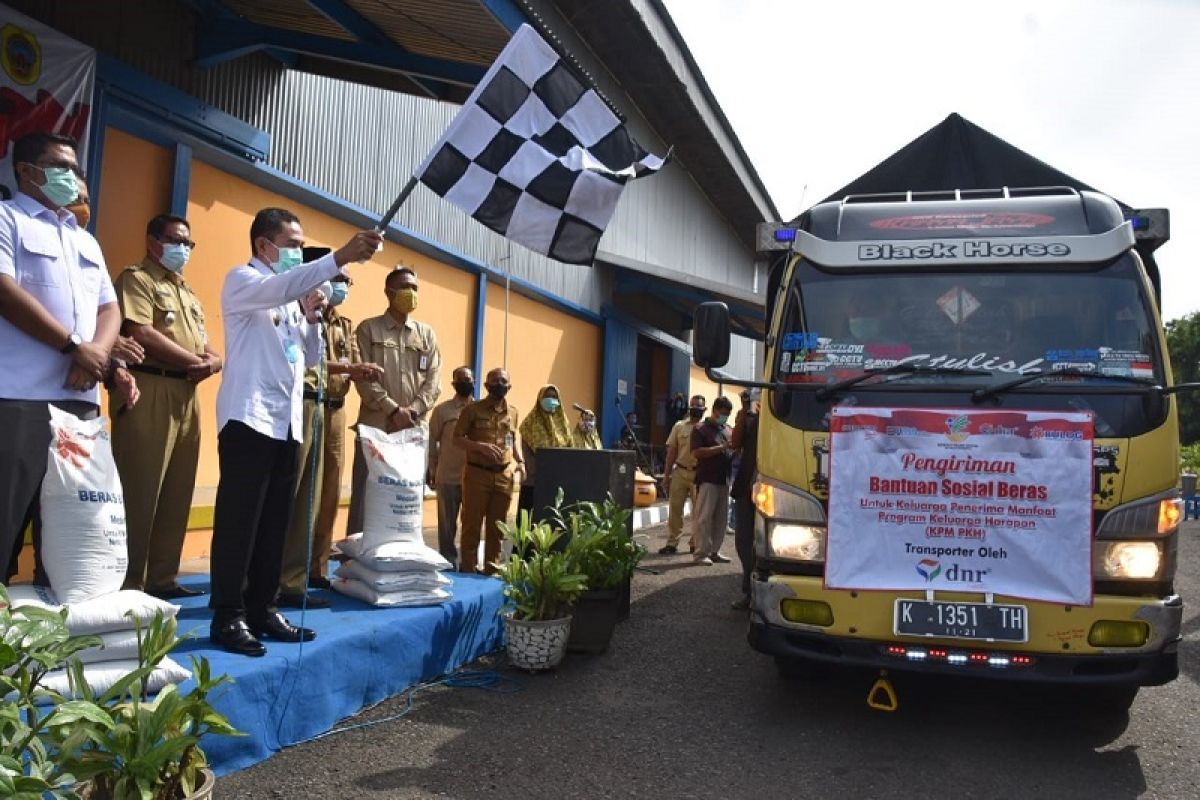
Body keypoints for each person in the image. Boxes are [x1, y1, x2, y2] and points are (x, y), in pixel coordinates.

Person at [208, 206, 382, 657]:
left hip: (285, 423)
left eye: (302, 247)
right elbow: (284, 284)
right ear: (264, 245)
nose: (298, 255)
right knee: (239, 524)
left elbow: (306, 357)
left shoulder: (287, 296)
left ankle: (262, 608)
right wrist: (338, 257)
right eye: (292, 246)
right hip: (249, 418)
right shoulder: (244, 281)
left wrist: (310, 319)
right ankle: (228, 615)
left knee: (274, 524)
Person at [0, 132, 136, 584]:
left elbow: (109, 308)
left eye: (76, 168)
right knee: (6, 524)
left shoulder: (84, 239)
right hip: (20, 398)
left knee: (69, 539)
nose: (73, 177)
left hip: (79, 403)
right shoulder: (8, 219)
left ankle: (53, 643)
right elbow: (5, 291)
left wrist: (94, 354)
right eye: (62, 166)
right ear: (26, 170)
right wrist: (75, 347)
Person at [112, 213, 221, 598]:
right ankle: (129, 581)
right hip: (150, 386)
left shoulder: (187, 292)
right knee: (141, 487)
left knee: (177, 490)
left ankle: (162, 579)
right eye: (176, 241)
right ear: (152, 241)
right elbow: (141, 332)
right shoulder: (137, 279)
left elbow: (204, 342)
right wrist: (196, 362)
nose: (183, 250)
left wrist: (214, 360)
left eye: (188, 243)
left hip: (187, 394)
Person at [279, 281, 383, 607]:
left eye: (348, 281)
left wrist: (359, 370)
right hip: (310, 401)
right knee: (302, 494)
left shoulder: (344, 323)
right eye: (339, 278)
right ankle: (287, 575)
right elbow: (307, 361)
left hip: (337, 407)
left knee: (329, 493)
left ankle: (316, 568)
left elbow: (350, 361)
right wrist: (352, 368)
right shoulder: (302, 312)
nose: (343, 287)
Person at [348, 265, 441, 536]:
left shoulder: (426, 335)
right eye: (405, 287)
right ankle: (357, 556)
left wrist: (411, 411)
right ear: (389, 292)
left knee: (407, 498)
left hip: (412, 430)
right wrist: (392, 409)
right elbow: (363, 377)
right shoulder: (368, 329)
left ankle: (403, 556)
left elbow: (434, 380)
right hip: (377, 428)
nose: (411, 293)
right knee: (367, 495)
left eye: (415, 288)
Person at [454, 368, 524, 574]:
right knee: (471, 526)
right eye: (494, 381)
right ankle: (468, 571)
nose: (499, 384)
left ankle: (491, 572)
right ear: (485, 385)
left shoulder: (513, 412)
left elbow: (512, 438)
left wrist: (520, 461)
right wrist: (479, 447)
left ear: (509, 387)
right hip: (477, 474)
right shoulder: (472, 410)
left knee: (497, 528)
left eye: (503, 381)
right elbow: (457, 438)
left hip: (503, 476)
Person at [427, 366, 475, 565]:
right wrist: (431, 468)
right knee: (447, 526)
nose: (466, 382)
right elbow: (431, 440)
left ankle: (468, 564)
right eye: (461, 379)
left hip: (473, 477)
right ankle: (447, 562)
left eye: (469, 379)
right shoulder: (442, 411)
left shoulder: (479, 410)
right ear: (454, 383)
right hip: (447, 476)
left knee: (471, 524)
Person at [689, 396, 734, 566]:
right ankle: (700, 553)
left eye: (728, 414)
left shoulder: (728, 429)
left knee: (721, 519)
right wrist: (721, 448)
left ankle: (715, 551)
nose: (725, 417)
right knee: (704, 518)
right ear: (714, 410)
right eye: (723, 413)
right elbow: (696, 453)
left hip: (724, 480)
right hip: (708, 479)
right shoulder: (701, 429)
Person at [658, 394, 706, 555]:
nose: (696, 411)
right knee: (675, 510)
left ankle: (695, 543)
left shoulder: (706, 428)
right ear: (689, 408)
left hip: (699, 474)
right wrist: (666, 476)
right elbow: (671, 452)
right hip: (680, 472)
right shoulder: (679, 426)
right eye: (693, 407)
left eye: (699, 408)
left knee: (698, 512)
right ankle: (672, 543)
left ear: (704, 410)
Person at [517, 384, 572, 518]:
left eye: (554, 397)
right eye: (547, 396)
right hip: (534, 481)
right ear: (540, 399)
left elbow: (570, 450)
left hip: (557, 481)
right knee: (528, 521)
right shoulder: (529, 423)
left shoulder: (564, 425)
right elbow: (527, 454)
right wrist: (543, 471)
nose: (551, 399)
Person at [730, 389, 760, 609]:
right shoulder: (748, 420)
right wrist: (743, 411)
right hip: (747, 487)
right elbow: (735, 443)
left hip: (777, 489)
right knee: (743, 540)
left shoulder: (782, 418)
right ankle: (748, 592)